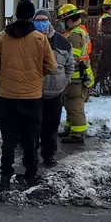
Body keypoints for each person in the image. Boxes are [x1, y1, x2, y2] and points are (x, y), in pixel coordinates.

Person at [0, 0, 57, 190]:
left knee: (8, 139)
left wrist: (6, 75)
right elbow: (51, 66)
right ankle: (30, 175)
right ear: (31, 16)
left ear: (16, 14)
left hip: (6, 96)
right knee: (30, 138)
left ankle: (5, 176)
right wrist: (34, 76)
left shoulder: (2, 37)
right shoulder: (40, 39)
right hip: (32, 97)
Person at [33, 9, 75, 167]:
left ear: (49, 21)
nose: (41, 23)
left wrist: (65, 80)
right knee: (33, 127)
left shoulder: (62, 41)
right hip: (34, 93)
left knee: (51, 128)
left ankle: (48, 156)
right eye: (38, 20)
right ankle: (31, 156)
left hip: (55, 93)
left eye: (44, 19)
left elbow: (70, 65)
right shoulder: (29, 40)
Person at [57, 4, 95, 144]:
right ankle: (70, 129)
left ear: (69, 20)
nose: (62, 24)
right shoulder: (79, 30)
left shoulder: (74, 35)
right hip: (79, 75)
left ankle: (77, 134)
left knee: (74, 105)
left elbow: (73, 59)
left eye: (63, 21)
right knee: (70, 104)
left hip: (76, 77)